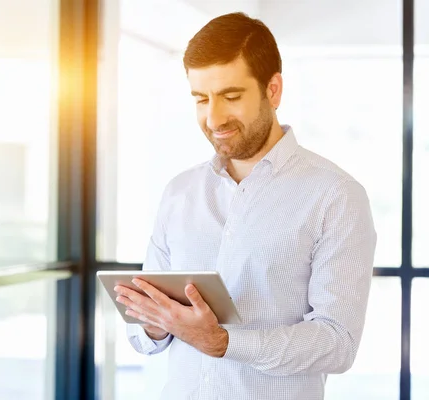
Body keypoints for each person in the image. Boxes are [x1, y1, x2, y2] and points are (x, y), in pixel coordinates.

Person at [113, 12, 377, 400]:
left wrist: (224, 342)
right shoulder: (179, 192)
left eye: (231, 97)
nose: (214, 117)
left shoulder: (335, 196)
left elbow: (337, 343)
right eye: (201, 99)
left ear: (273, 90)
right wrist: (156, 322)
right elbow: (143, 337)